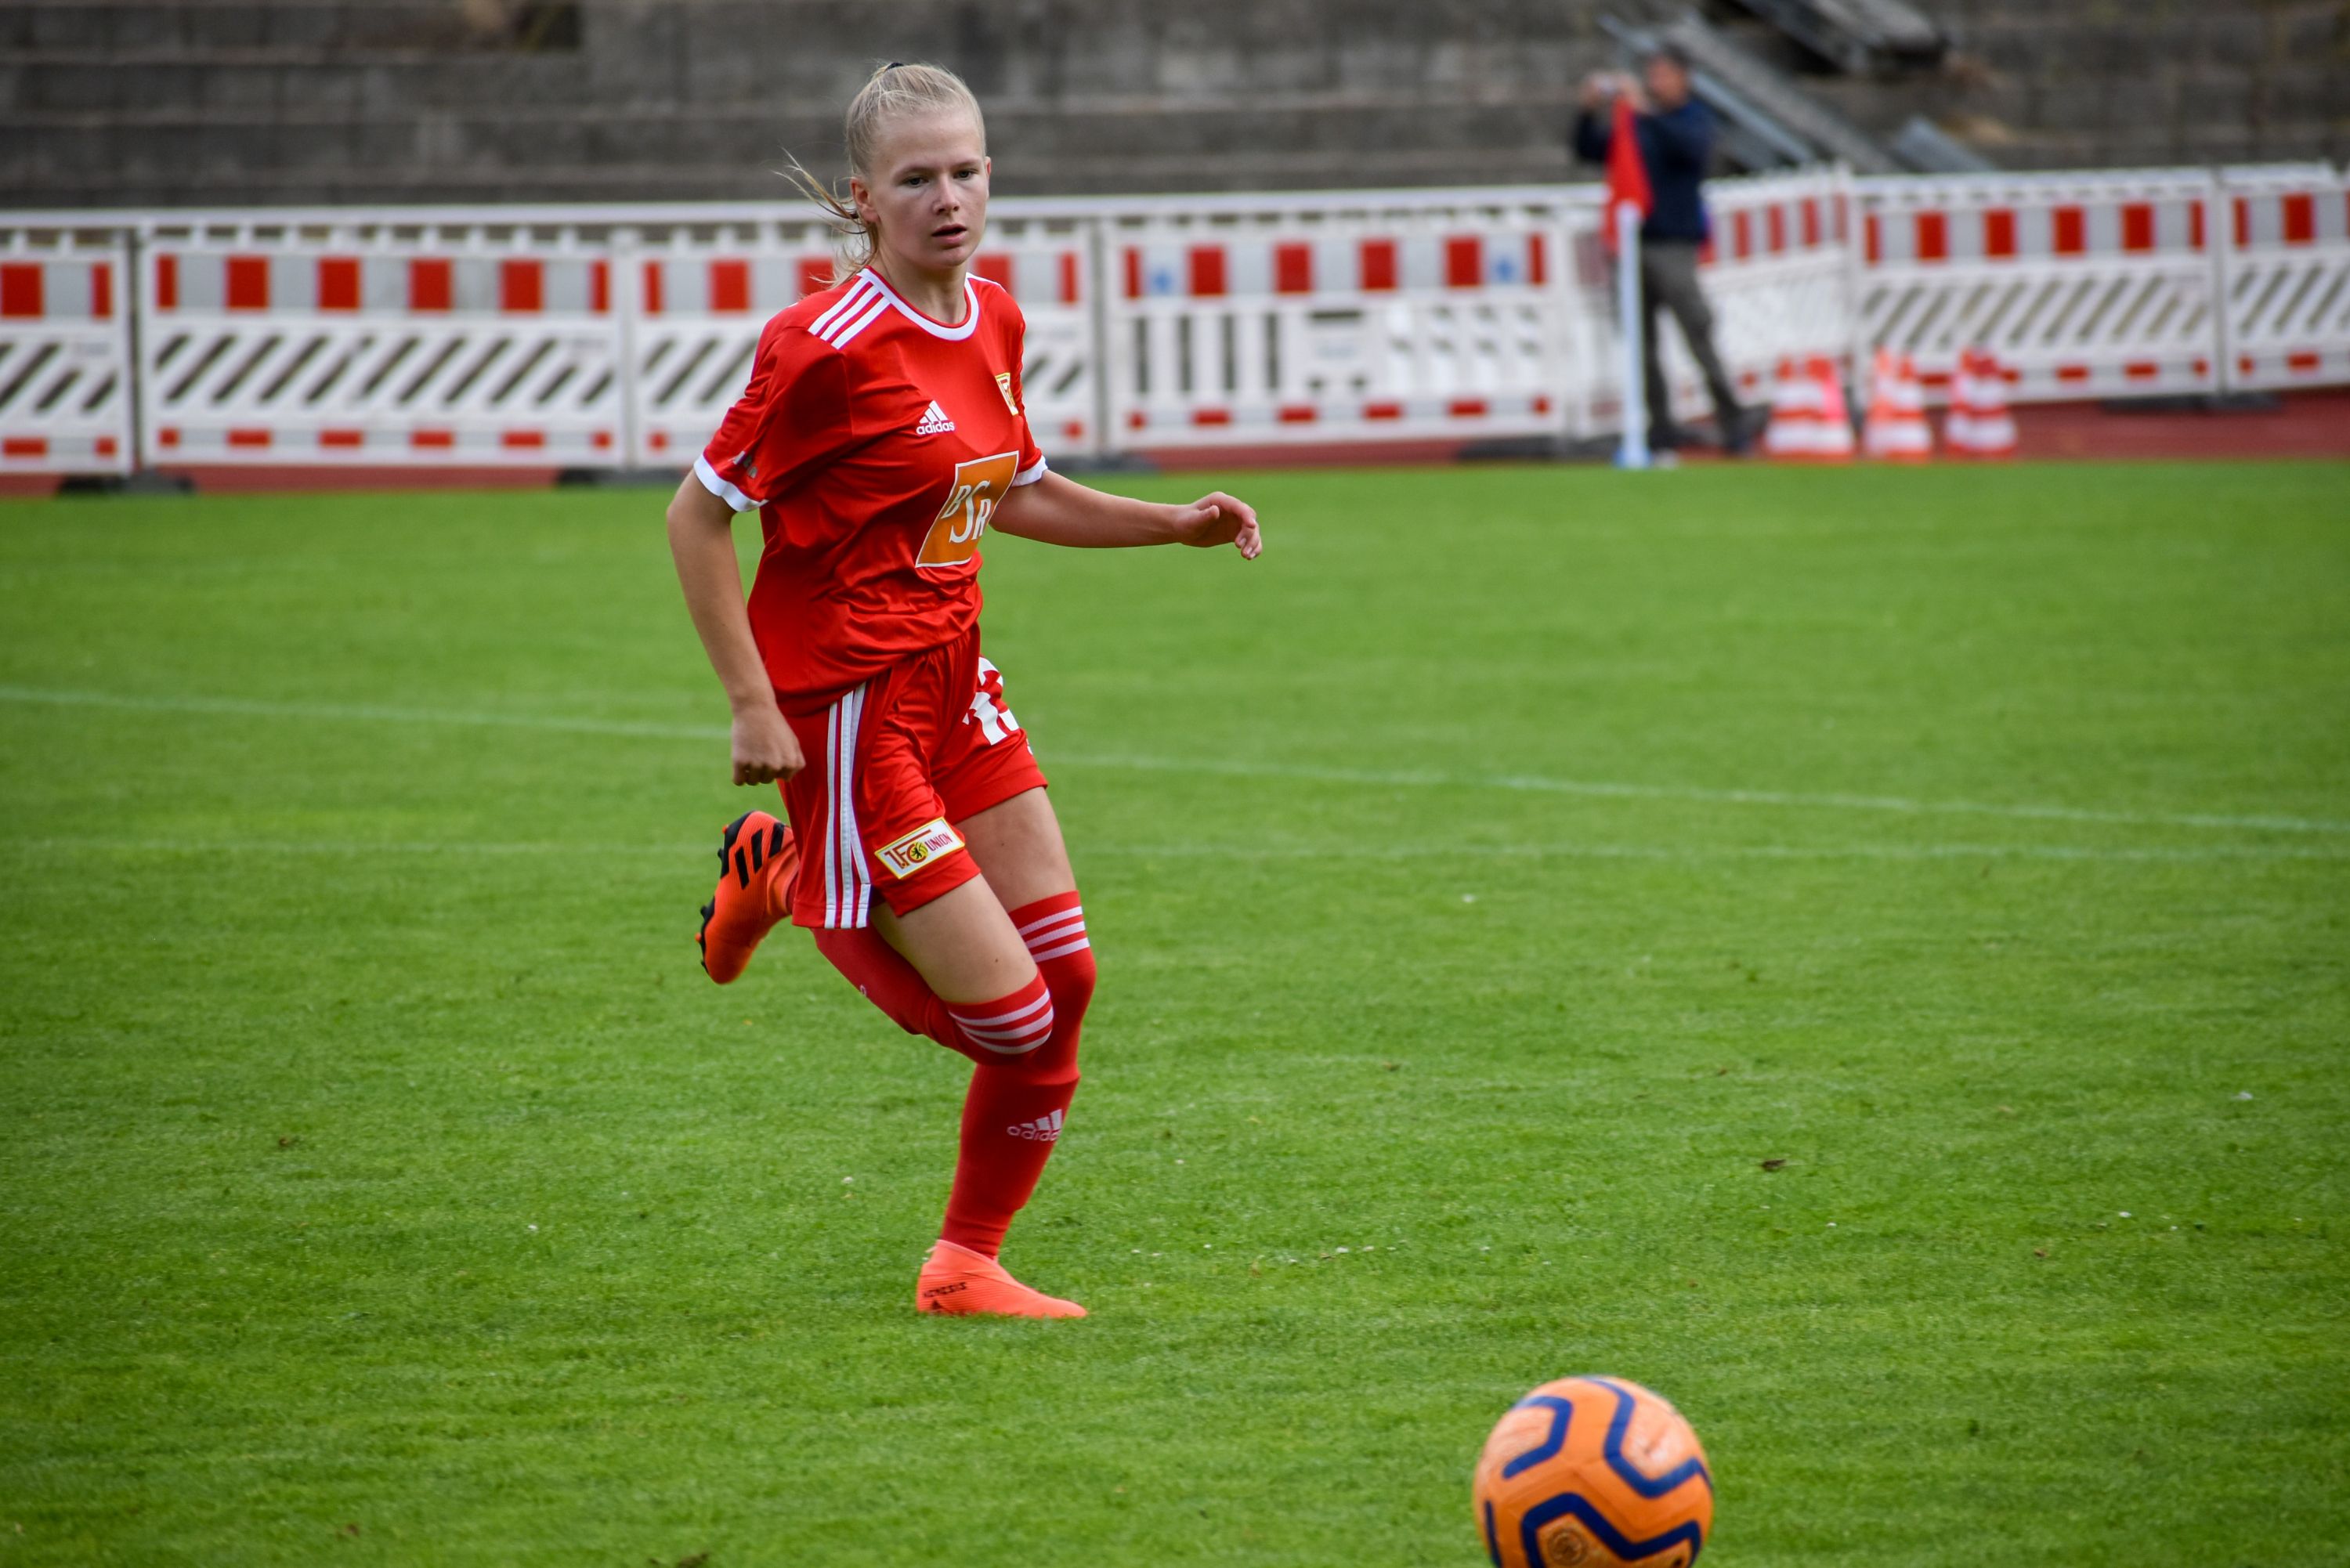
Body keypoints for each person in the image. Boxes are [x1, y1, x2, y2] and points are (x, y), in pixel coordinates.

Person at [665, 62, 1262, 1321]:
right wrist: (748, 699)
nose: (950, 197)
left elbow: (1016, 489)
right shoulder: (821, 348)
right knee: (1011, 1022)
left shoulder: (992, 315)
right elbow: (697, 519)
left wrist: (1175, 525)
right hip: (847, 706)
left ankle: (963, 1264)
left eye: (969, 169)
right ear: (862, 200)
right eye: (918, 177)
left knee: (1071, 983)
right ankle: (782, 872)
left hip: (955, 679)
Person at [1574, 45, 1756, 456]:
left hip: (1673, 244)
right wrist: (1588, 112)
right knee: (1641, 345)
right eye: (1652, 75)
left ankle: (1734, 425)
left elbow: (1690, 151)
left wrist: (1645, 113)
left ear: (1683, 78)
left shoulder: (1690, 119)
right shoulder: (1634, 124)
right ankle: (1660, 430)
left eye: (1664, 75)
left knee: (1699, 336)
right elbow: (1590, 150)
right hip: (1632, 244)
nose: (1657, 83)